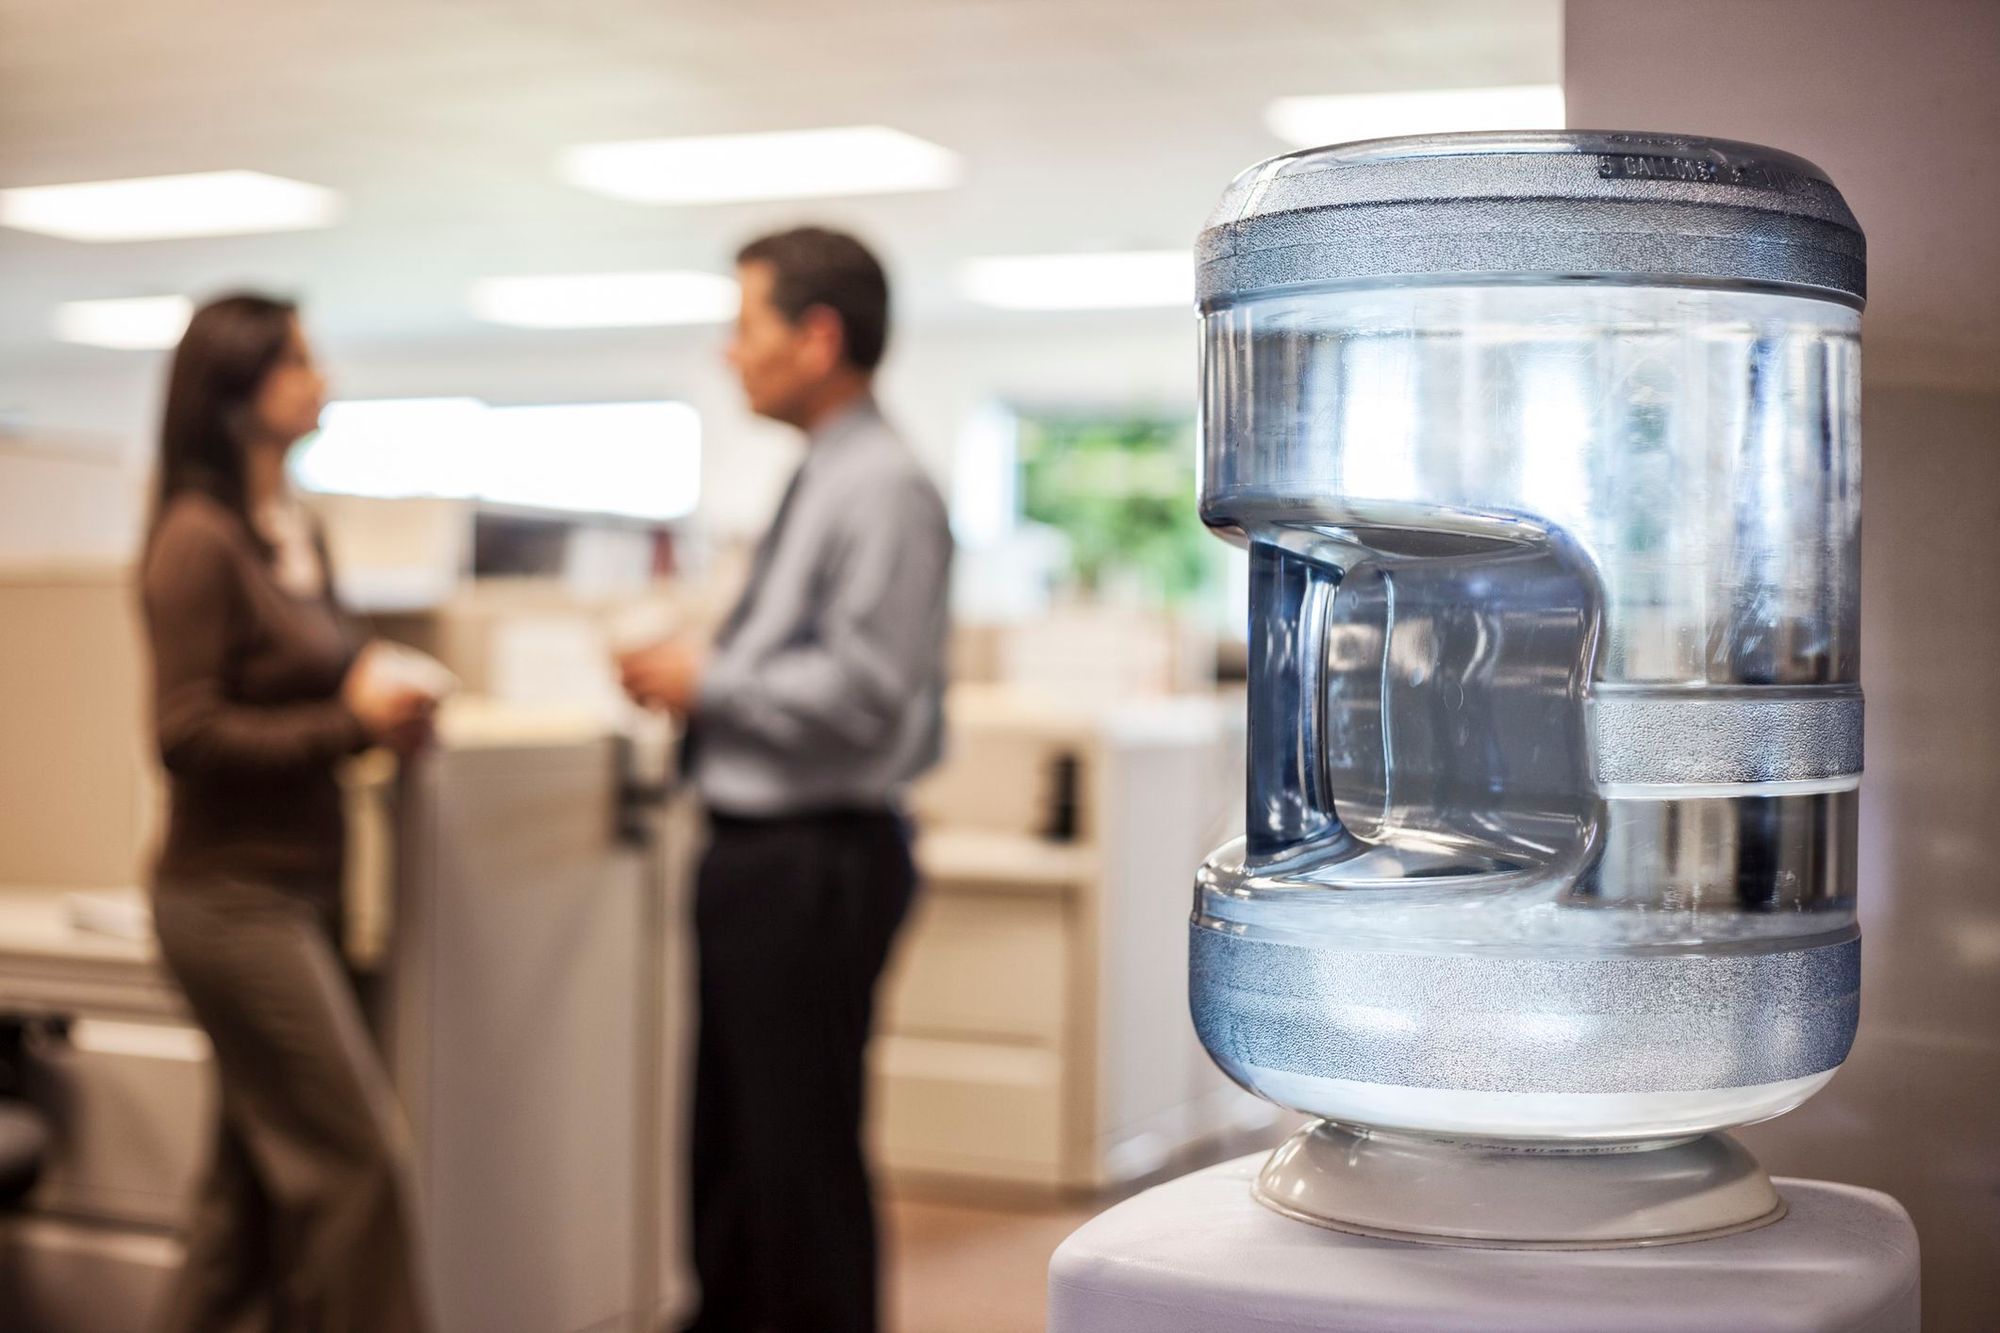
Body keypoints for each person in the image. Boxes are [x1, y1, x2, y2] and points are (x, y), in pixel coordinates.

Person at [619, 227, 953, 1333]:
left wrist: (706, 680)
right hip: (764, 855)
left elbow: (862, 690)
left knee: (793, 1163)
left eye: (745, 324)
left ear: (817, 339)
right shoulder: (827, 472)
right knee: (733, 1156)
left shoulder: (883, 486)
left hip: (813, 857)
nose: (728, 353)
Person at [139, 293, 436, 1333]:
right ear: (235, 390)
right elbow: (184, 735)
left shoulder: (293, 530)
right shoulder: (196, 542)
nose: (324, 382)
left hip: (303, 890)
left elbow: (328, 675)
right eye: (298, 363)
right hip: (230, 901)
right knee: (359, 1167)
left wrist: (382, 696)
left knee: (246, 1204)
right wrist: (347, 723)